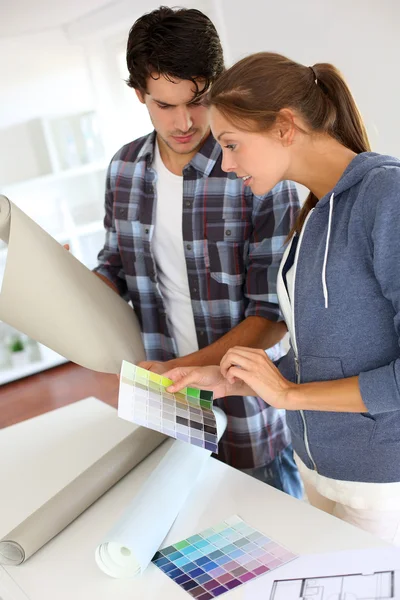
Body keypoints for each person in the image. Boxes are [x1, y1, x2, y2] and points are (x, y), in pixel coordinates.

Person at [164, 51, 400, 545]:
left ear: (285, 126)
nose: (225, 164)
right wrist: (230, 381)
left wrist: (287, 396)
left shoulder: (387, 197)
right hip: (318, 472)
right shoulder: (311, 217)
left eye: (231, 144)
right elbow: (323, 361)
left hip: (382, 487)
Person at [94, 9, 302, 496]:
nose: (185, 122)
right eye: (165, 105)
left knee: (279, 558)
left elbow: (272, 316)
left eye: (198, 101)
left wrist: (180, 372)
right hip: (165, 415)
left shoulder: (258, 174)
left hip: (250, 419)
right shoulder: (123, 170)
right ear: (140, 94)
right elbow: (113, 268)